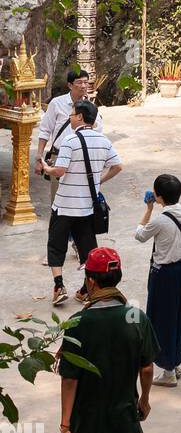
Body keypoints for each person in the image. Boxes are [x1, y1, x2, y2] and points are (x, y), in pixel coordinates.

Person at [58, 247, 159, 433]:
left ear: (91, 281)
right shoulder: (137, 318)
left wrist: (65, 426)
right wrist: (144, 400)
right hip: (125, 423)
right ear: (117, 279)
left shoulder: (77, 323)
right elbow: (146, 368)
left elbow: (69, 380)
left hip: (87, 426)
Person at [41, 100, 122, 307]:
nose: (70, 117)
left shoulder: (70, 140)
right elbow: (118, 166)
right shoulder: (103, 141)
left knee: (56, 245)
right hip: (87, 206)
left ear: (80, 117)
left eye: (72, 114)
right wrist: (99, 181)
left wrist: (46, 168)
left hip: (65, 205)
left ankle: (59, 286)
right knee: (88, 248)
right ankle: (87, 290)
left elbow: (60, 171)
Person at [134, 173, 181, 387]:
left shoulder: (160, 220)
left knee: (161, 319)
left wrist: (148, 209)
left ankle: (169, 370)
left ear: (159, 196)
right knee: (178, 315)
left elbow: (139, 235)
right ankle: (175, 360)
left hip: (164, 273)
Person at [35, 69, 103, 203]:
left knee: (82, 197)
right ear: (70, 85)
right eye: (79, 82)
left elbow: (98, 131)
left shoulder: (91, 106)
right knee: (58, 198)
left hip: (83, 157)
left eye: (86, 82)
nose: (83, 86)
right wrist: (39, 158)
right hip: (59, 156)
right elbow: (45, 130)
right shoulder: (56, 103)